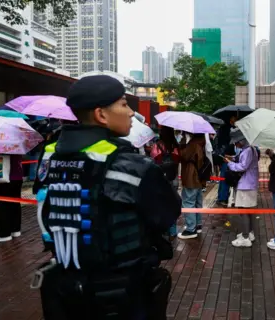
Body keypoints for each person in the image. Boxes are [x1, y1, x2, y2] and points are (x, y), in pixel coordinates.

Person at [35, 75, 181, 319]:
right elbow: (167, 213)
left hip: (66, 291)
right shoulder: (133, 166)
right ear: (101, 115)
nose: (131, 112)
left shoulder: (50, 158)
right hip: (124, 295)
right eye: (124, 104)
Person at [225, 129, 259, 248]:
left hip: (245, 185)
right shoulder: (250, 149)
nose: (235, 144)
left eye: (236, 142)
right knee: (248, 210)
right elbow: (244, 161)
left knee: (243, 210)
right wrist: (233, 158)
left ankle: (245, 237)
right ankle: (249, 233)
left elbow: (243, 166)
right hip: (250, 184)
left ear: (242, 140)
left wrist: (230, 163)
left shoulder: (247, 151)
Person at [150, 125, 181, 240]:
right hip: (174, 178)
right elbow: (178, 159)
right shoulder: (175, 145)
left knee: (161, 205)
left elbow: (153, 159)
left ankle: (164, 231)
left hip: (161, 178)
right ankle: (173, 231)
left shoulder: (158, 145)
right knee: (172, 204)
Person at [178, 133, 206, 240]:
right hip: (199, 177)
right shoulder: (202, 142)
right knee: (197, 201)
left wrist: (182, 143)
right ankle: (197, 225)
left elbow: (183, 155)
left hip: (191, 176)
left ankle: (190, 229)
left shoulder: (193, 144)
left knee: (188, 202)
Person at [0, 155, 23, 243]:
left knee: (1, 204)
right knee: (15, 203)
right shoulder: (15, 142)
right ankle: (15, 229)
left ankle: (4, 233)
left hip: (1, 176)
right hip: (17, 175)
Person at [216, 116, 237, 206]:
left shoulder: (225, 129)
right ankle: (223, 198)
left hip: (228, 156)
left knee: (225, 178)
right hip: (227, 156)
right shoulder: (226, 129)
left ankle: (222, 198)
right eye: (234, 118)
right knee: (225, 177)